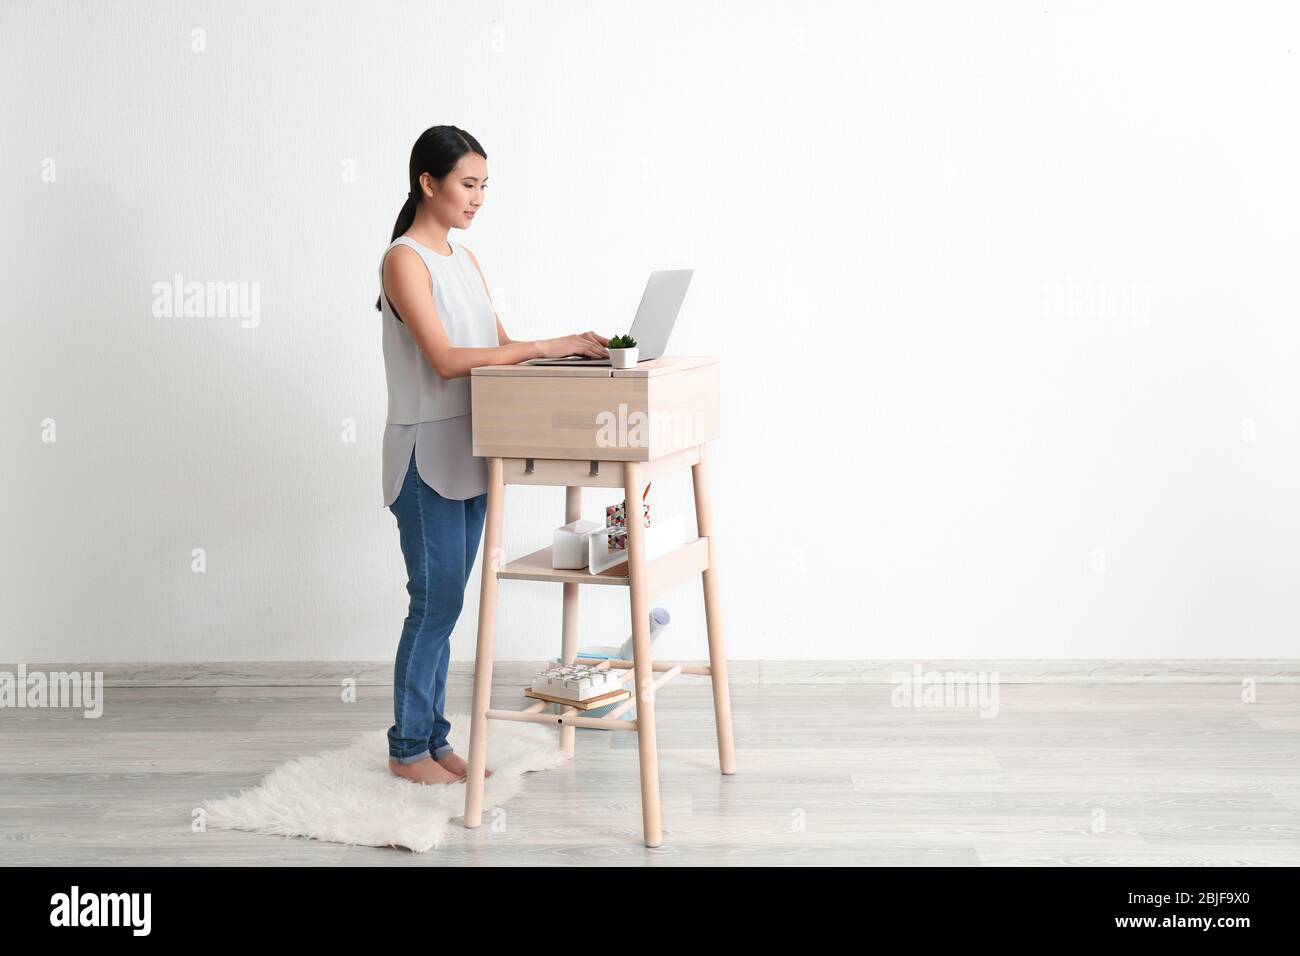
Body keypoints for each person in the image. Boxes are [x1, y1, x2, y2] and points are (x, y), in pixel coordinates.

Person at [376, 125, 609, 785]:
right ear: (428, 181)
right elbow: (448, 361)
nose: (478, 199)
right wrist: (548, 344)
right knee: (434, 599)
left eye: (484, 187)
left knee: (448, 601)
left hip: (472, 450)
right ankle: (407, 750)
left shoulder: (463, 259)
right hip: (424, 453)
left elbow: (497, 343)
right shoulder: (404, 260)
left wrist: (564, 353)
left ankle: (433, 736)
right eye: (467, 184)